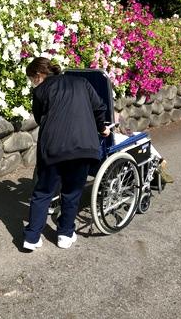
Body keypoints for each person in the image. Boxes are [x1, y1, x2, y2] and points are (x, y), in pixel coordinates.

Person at [23, 57, 110, 251]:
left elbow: (39, 118)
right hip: (83, 147)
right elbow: (99, 107)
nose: (31, 82)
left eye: (31, 78)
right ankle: (64, 234)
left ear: (38, 75)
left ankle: (32, 237)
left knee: (43, 193)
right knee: (72, 192)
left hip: (53, 148)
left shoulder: (40, 90)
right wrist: (102, 128)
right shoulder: (81, 82)